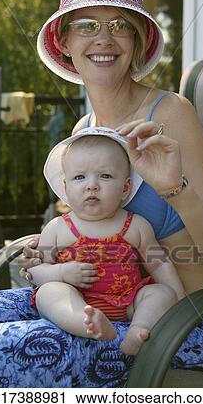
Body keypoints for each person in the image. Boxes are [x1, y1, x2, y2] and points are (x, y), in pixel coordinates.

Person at [19, 0, 203, 371]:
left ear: (138, 39)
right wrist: (50, 254)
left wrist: (173, 191)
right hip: (100, 311)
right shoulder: (84, 129)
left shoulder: (171, 114)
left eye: (120, 24)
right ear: (65, 42)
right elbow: (92, 235)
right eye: (87, 25)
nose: (104, 38)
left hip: (185, 323)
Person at [29, 127, 185, 356]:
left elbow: (159, 264)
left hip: (129, 302)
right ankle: (87, 323)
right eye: (79, 177)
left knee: (160, 293)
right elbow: (36, 272)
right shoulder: (57, 228)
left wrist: (178, 300)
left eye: (105, 176)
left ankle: (138, 331)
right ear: (65, 187)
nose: (91, 185)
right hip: (78, 300)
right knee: (48, 292)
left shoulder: (136, 226)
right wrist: (61, 273)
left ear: (125, 188)